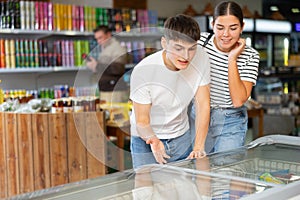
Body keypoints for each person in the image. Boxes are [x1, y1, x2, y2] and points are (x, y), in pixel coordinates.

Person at [129, 14, 211, 169]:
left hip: (180, 136)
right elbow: (142, 121)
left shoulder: (201, 57)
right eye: (178, 48)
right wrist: (153, 139)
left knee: (180, 187)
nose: (186, 56)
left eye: (192, 49)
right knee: (145, 191)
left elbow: (203, 104)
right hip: (145, 139)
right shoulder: (143, 71)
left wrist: (199, 146)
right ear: (164, 43)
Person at [190, 1, 260, 154]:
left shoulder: (251, 56)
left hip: (231, 120)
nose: (226, 34)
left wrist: (232, 59)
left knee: (226, 172)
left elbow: (238, 100)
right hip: (199, 116)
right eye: (220, 28)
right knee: (200, 169)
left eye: (233, 28)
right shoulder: (200, 43)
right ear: (213, 24)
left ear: (242, 27)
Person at [86, 25, 128, 103]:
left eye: (100, 38)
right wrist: (94, 66)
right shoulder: (106, 49)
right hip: (105, 90)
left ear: (108, 34)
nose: (98, 41)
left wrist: (97, 65)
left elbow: (118, 69)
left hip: (114, 91)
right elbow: (104, 68)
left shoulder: (117, 48)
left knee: (115, 114)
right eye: (97, 39)